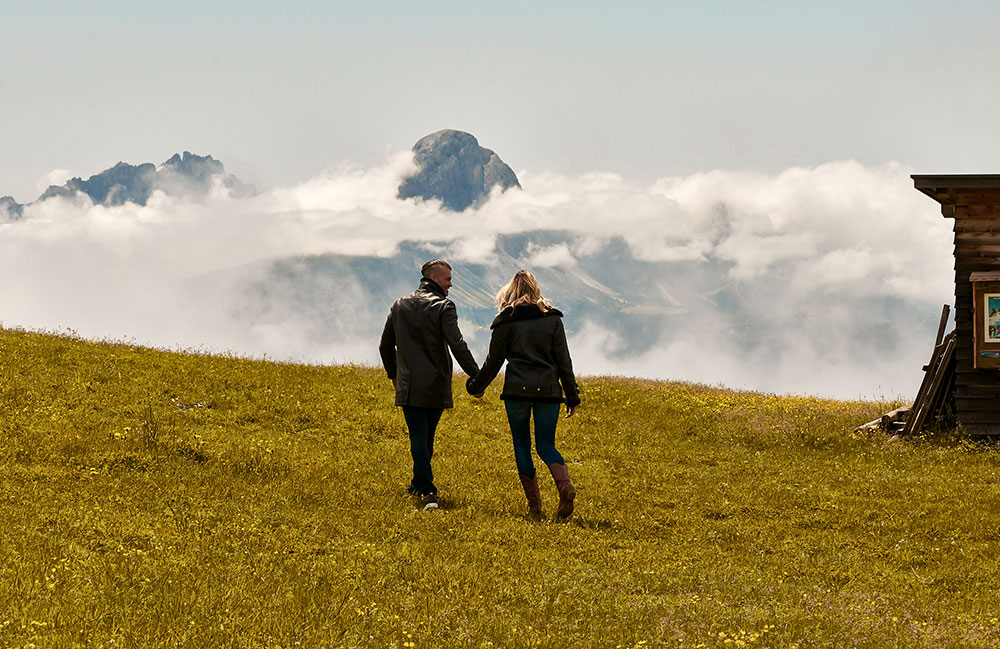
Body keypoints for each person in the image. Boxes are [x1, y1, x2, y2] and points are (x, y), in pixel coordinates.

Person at [466, 270, 581, 519]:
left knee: (522, 446)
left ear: (510, 291)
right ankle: (565, 487)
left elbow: (493, 363)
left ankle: (535, 508)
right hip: (549, 392)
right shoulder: (552, 319)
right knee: (546, 445)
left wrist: (476, 386)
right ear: (535, 289)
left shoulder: (505, 322)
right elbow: (564, 361)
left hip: (517, 392)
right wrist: (572, 396)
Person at [379, 259, 480, 510]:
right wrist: (477, 376)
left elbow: (384, 345)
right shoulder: (444, 306)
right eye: (448, 279)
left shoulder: (399, 305)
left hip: (409, 383)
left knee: (420, 437)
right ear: (435, 279)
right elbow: (457, 344)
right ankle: (427, 489)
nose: (451, 284)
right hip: (435, 382)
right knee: (425, 438)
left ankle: (417, 483)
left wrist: (394, 375)